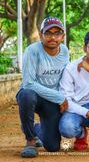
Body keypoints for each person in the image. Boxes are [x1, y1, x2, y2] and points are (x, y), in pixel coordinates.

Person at [16, 17, 69, 158]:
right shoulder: (32, 51)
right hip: (31, 95)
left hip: (50, 100)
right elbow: (28, 83)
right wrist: (60, 97)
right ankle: (30, 140)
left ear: (62, 36)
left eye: (57, 33)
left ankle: (35, 128)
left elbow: (67, 75)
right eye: (48, 33)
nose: (53, 37)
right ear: (41, 35)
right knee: (27, 94)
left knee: (53, 147)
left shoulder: (64, 51)